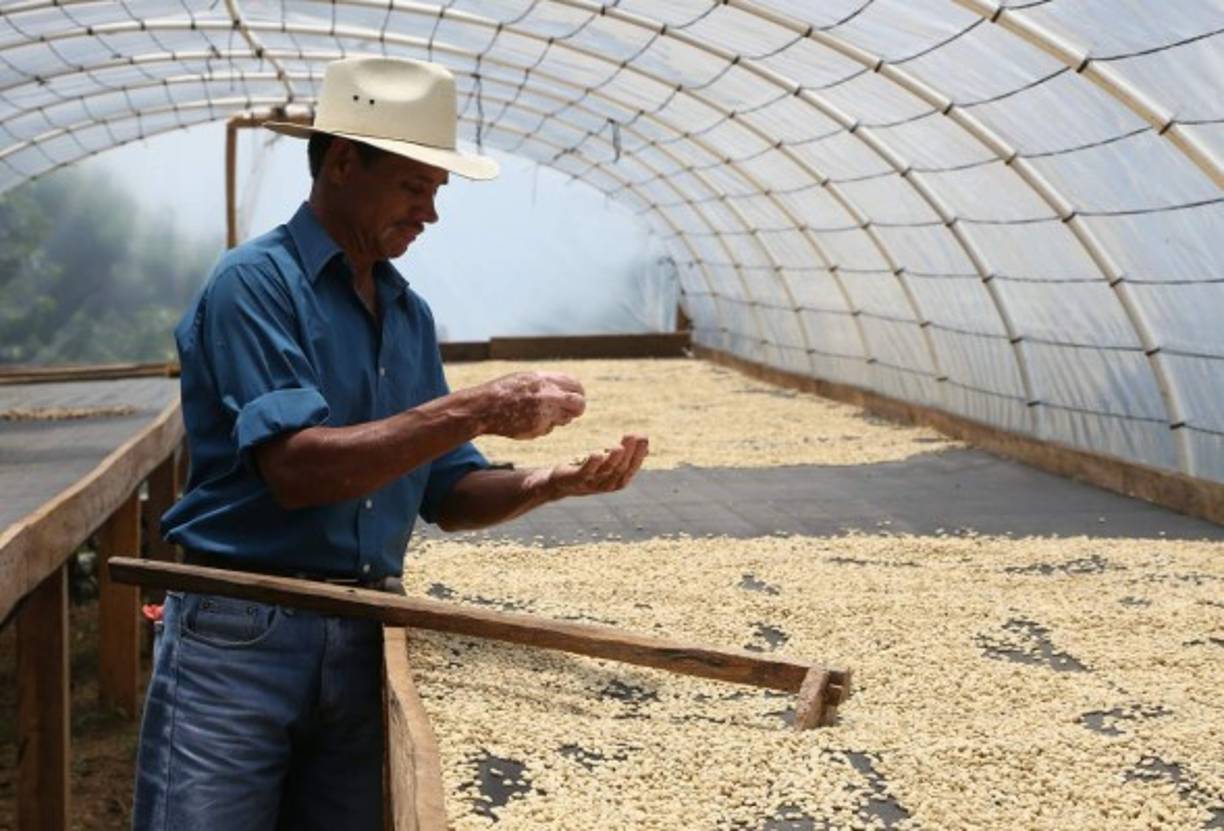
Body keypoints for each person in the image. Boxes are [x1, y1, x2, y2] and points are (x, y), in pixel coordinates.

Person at [132, 56, 649, 831]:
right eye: (414, 187)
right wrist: (478, 406)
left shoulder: (407, 315)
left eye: (436, 192)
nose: (430, 213)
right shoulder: (256, 284)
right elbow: (297, 469)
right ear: (344, 163)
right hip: (244, 629)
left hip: (365, 631)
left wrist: (551, 481)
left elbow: (447, 491)